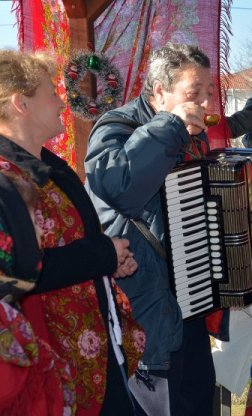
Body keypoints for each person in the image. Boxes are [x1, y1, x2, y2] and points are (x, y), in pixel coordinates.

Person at [85, 43, 226, 416]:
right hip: (145, 304)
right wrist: (171, 126)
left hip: (188, 297)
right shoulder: (116, 126)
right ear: (159, 90)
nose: (204, 104)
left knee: (197, 401)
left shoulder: (190, 133)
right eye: (193, 94)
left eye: (208, 94)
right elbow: (120, 188)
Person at [0, 50, 142, 415]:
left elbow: (72, 237)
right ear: (21, 104)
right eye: (50, 92)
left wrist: (110, 258)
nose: (61, 102)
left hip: (91, 345)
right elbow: (15, 272)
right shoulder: (4, 179)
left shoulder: (47, 165)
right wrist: (101, 255)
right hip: (50, 361)